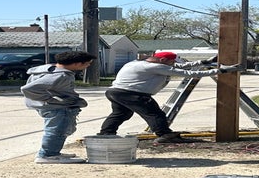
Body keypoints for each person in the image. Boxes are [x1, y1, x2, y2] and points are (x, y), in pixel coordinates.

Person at [99, 51, 241, 144]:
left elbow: (180, 66)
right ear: (163, 60)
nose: (174, 65)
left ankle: (106, 133)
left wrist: (202, 62)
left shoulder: (138, 63)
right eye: (171, 62)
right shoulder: (155, 67)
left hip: (115, 92)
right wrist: (222, 71)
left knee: (121, 114)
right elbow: (189, 73)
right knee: (155, 114)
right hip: (132, 93)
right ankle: (165, 135)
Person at [21, 50, 96, 164]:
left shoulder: (50, 70)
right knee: (57, 131)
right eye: (87, 63)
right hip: (56, 107)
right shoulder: (60, 75)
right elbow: (29, 89)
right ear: (77, 63)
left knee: (59, 129)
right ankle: (47, 155)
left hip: (48, 106)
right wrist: (53, 100)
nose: (88, 66)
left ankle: (53, 152)